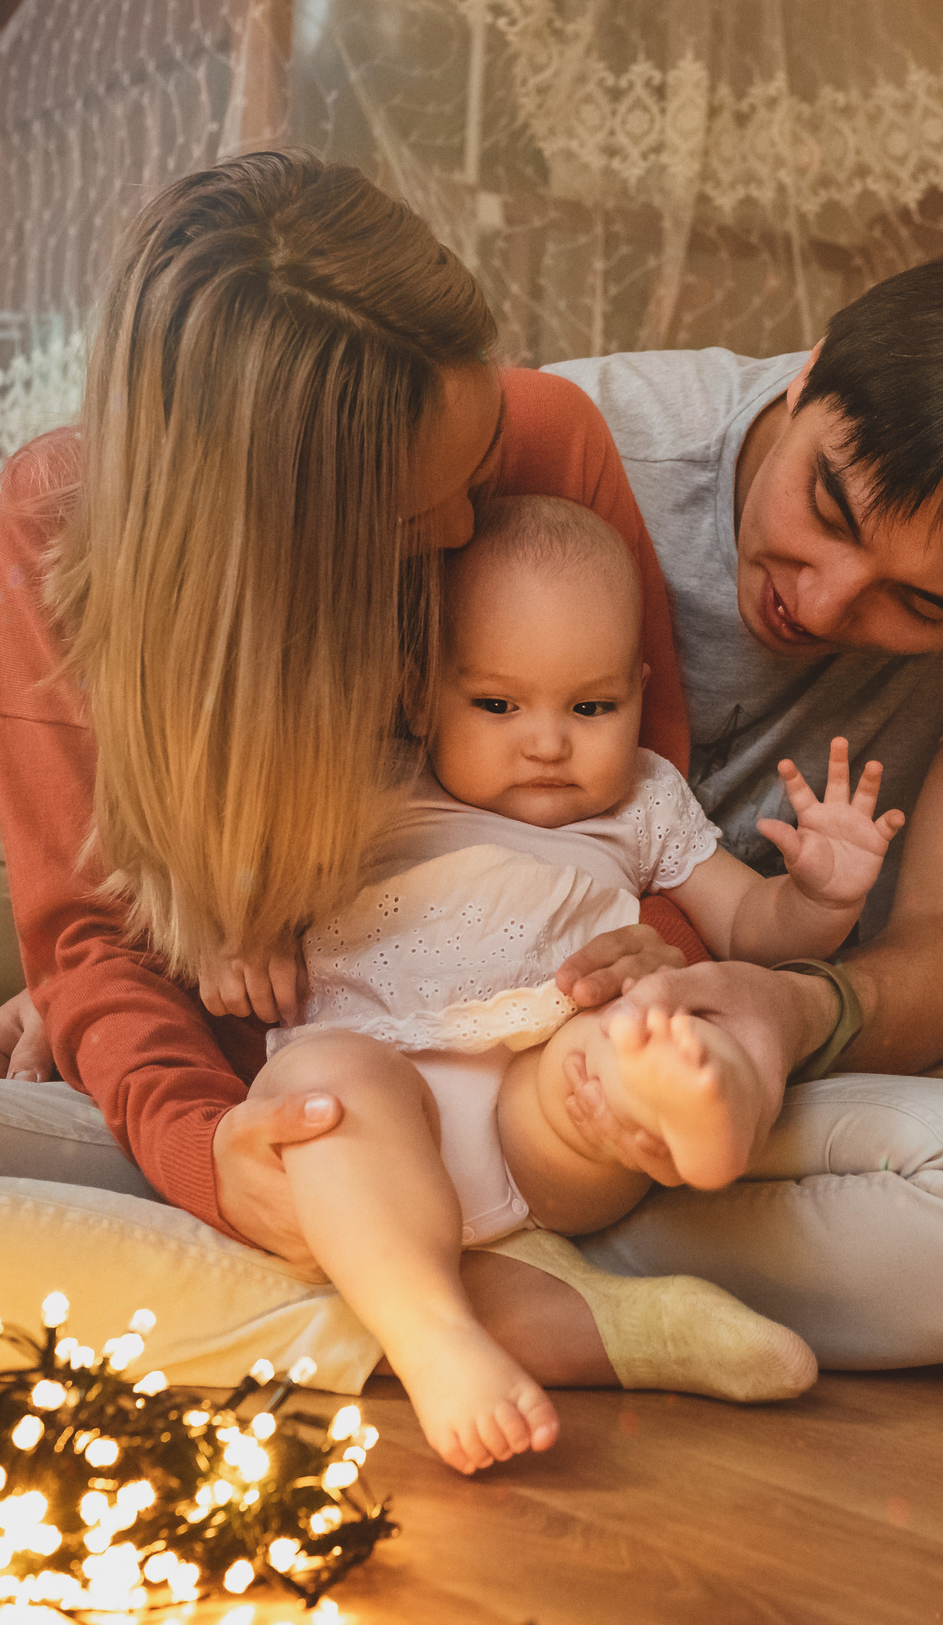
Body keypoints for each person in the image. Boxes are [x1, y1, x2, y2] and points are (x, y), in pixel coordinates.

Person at [0, 155, 943, 1402]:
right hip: (308, 1078)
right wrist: (202, 1136)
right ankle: (516, 1316)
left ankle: (381, 1302)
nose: (463, 538)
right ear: (280, 537)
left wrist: (709, 992)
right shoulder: (61, 526)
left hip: (557, 1075)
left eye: (482, 468)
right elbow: (96, 936)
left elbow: (635, 828)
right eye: (429, 515)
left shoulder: (537, 441)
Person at [252, 495, 908, 1471]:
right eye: (497, 705)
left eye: (591, 707)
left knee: (631, 1033)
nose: (549, 741)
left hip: (544, 1107)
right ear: (419, 690)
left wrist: (818, 897)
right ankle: (437, 1337)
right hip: (380, 1072)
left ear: (640, 692)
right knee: (322, 1097)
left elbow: (749, 929)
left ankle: (696, 1101)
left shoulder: (644, 800)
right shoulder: (362, 786)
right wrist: (225, 931)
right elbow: (219, 872)